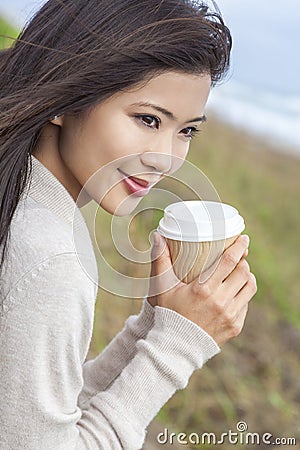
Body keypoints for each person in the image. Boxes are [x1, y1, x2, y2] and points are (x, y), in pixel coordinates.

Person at [0, 1, 257, 449]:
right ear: (65, 98)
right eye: (148, 119)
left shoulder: (23, 203)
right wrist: (178, 348)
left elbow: (30, 414)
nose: (166, 158)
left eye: (187, 131)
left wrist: (155, 324)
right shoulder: (49, 259)